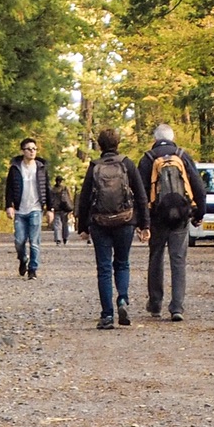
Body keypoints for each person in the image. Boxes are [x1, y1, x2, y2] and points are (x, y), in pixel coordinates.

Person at [77, 126, 150, 329]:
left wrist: (82, 226)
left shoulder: (94, 166)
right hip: (125, 221)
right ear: (118, 144)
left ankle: (107, 315)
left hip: (100, 222)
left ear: (99, 145)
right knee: (123, 263)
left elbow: (83, 200)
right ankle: (123, 300)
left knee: (104, 268)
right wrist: (145, 224)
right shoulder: (127, 164)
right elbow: (141, 196)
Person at [137, 121, 206, 322]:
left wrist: (143, 223)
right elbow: (198, 187)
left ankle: (156, 304)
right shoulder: (183, 156)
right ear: (172, 137)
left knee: (156, 258)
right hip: (181, 218)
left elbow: (141, 194)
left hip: (157, 218)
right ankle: (177, 307)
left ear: (155, 139)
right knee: (178, 260)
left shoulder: (148, 158)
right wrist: (199, 214)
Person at [4, 137, 53, 280]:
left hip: (36, 208)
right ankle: (23, 259)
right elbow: (9, 189)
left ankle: (33, 269)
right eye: (29, 149)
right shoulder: (15, 168)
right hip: (20, 210)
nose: (32, 151)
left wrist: (50, 209)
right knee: (19, 241)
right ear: (23, 151)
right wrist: (9, 206)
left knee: (34, 241)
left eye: (34, 149)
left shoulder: (41, 168)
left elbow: (47, 188)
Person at [50, 178, 74, 244]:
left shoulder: (53, 189)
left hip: (56, 208)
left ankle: (58, 239)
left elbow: (51, 199)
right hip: (65, 208)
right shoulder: (65, 188)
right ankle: (65, 238)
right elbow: (70, 197)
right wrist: (71, 206)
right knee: (65, 224)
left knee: (57, 224)